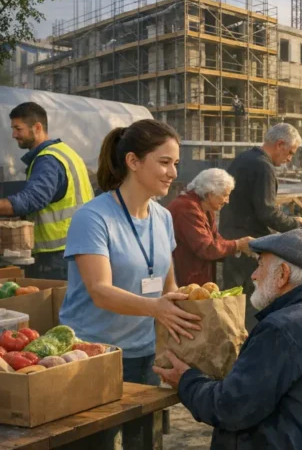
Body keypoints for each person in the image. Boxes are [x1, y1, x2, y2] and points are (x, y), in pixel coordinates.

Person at [153, 230, 302, 449]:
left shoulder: (283, 327)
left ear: (283, 274)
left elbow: (230, 408)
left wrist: (186, 380)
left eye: (260, 265)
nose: (253, 275)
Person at [59, 119, 201, 385]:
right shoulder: (92, 218)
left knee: (148, 428)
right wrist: (155, 308)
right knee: (102, 428)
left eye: (175, 164)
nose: (173, 172)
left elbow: (168, 287)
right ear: (133, 161)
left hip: (147, 352)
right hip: (95, 353)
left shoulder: (162, 217)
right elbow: (100, 291)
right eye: (164, 162)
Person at [219, 123, 302, 330]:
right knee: (253, 302)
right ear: (280, 144)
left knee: (232, 300)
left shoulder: (243, 158)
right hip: (249, 244)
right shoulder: (263, 167)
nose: (289, 159)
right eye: (290, 153)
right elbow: (266, 212)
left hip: (231, 237)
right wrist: (296, 226)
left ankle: (231, 345)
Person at [0, 102, 94, 279]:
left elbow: (30, 200)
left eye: (18, 129)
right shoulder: (65, 152)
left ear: (37, 127)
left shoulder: (48, 160)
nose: (13, 135)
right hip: (76, 248)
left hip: (56, 256)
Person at [167, 169, 253, 286]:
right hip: (185, 281)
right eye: (225, 195)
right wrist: (238, 244)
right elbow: (207, 248)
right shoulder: (187, 209)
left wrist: (239, 247)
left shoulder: (205, 207)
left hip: (197, 280)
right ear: (209, 194)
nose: (227, 201)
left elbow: (216, 240)